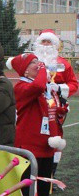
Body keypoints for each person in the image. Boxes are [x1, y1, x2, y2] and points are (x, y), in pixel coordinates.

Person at [9, 53, 66, 196]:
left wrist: (60, 107)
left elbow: (49, 109)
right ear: (24, 70)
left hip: (46, 146)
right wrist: (43, 68)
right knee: (26, 193)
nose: (39, 64)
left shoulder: (42, 88)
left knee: (42, 191)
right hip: (29, 147)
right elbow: (38, 86)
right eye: (33, 62)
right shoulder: (22, 87)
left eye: (38, 62)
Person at [32, 29, 76, 174]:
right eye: (43, 41)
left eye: (49, 42)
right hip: (34, 106)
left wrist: (59, 88)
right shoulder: (31, 62)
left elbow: (73, 84)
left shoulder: (64, 64)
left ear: (55, 44)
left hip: (56, 108)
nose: (45, 44)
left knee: (55, 136)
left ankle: (51, 170)